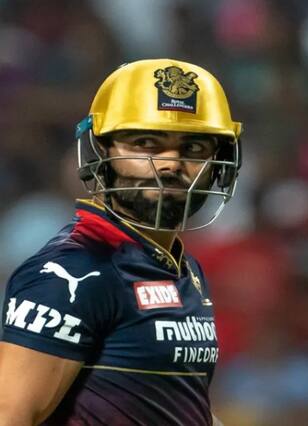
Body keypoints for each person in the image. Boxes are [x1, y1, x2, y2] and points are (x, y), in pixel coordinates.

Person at [0, 59, 242, 426]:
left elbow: (167, 403)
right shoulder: (74, 269)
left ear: (220, 163)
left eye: (193, 148)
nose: (170, 165)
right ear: (101, 152)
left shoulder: (181, 267)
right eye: (146, 144)